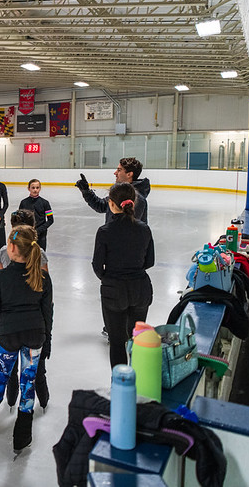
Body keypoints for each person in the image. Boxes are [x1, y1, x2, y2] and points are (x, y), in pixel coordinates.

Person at [0, 225, 53, 455]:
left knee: (1, 377)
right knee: (28, 382)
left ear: (12, 248)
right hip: (36, 335)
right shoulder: (42, 275)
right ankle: (22, 435)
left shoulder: (0, 278)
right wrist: (48, 340)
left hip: (9, 335)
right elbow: (47, 312)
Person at [92, 182, 155, 367]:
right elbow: (149, 262)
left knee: (117, 342)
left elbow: (97, 265)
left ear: (111, 204)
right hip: (141, 290)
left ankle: (120, 387)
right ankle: (139, 383)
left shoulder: (105, 231)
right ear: (133, 203)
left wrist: (110, 279)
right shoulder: (144, 228)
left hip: (114, 292)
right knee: (137, 339)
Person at [0, 210, 50, 412]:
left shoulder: (4, 252)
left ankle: (12, 401)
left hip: (11, 322)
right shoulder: (40, 253)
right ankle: (42, 401)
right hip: (35, 322)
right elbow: (46, 291)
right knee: (37, 367)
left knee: (12, 369)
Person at [75, 157, 150, 224]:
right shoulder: (119, 192)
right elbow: (101, 206)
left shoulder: (137, 199)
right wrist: (86, 191)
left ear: (129, 174)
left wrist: (107, 232)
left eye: (119, 170)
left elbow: (130, 229)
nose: (115, 173)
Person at [19, 179, 54, 250]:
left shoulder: (45, 203)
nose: (35, 190)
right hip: (27, 235)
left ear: (40, 188)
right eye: (33, 188)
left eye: (37, 188)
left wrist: (39, 230)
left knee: (41, 256)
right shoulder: (23, 202)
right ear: (28, 189)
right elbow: (20, 219)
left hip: (41, 235)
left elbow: (50, 220)